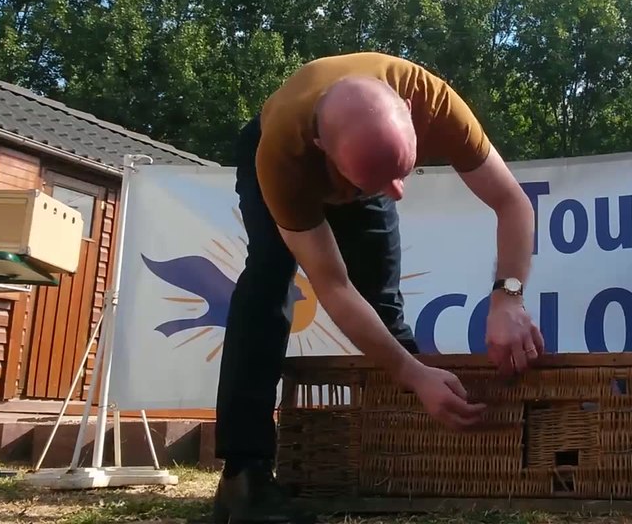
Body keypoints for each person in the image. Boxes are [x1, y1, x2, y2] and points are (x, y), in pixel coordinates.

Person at [211, 52, 544, 523]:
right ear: (321, 144)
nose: (397, 191)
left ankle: (406, 451)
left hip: (358, 156)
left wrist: (507, 297)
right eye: (377, 182)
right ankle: (243, 476)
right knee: (268, 282)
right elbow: (333, 287)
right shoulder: (283, 154)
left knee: (383, 302)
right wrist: (411, 374)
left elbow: (513, 203)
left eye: (403, 172)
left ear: (409, 110)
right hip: (289, 157)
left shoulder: (435, 102)